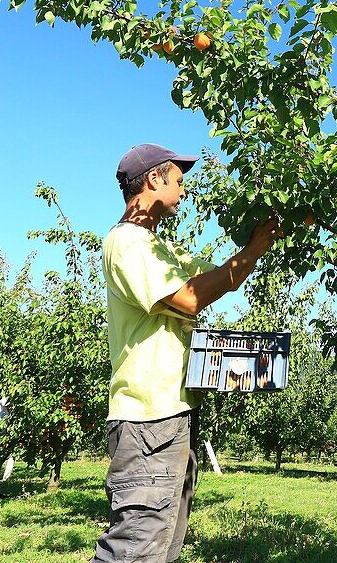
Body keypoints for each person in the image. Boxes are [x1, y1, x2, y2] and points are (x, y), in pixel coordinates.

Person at [90, 144, 278, 563]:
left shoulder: (161, 249)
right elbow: (191, 299)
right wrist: (255, 246)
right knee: (136, 545)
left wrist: (257, 242)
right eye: (178, 180)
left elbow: (220, 278)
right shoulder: (128, 242)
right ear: (153, 179)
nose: (184, 190)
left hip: (172, 415)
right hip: (147, 416)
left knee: (162, 544)